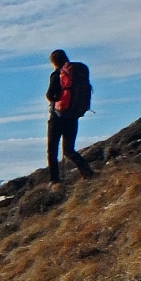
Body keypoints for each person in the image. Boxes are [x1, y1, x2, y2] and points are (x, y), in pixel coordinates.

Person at [46, 49, 96, 184]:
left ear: (54, 62)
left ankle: (55, 180)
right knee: (68, 149)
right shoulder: (75, 73)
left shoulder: (57, 74)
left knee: (52, 150)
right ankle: (87, 172)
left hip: (57, 116)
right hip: (73, 115)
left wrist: (55, 99)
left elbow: (50, 95)